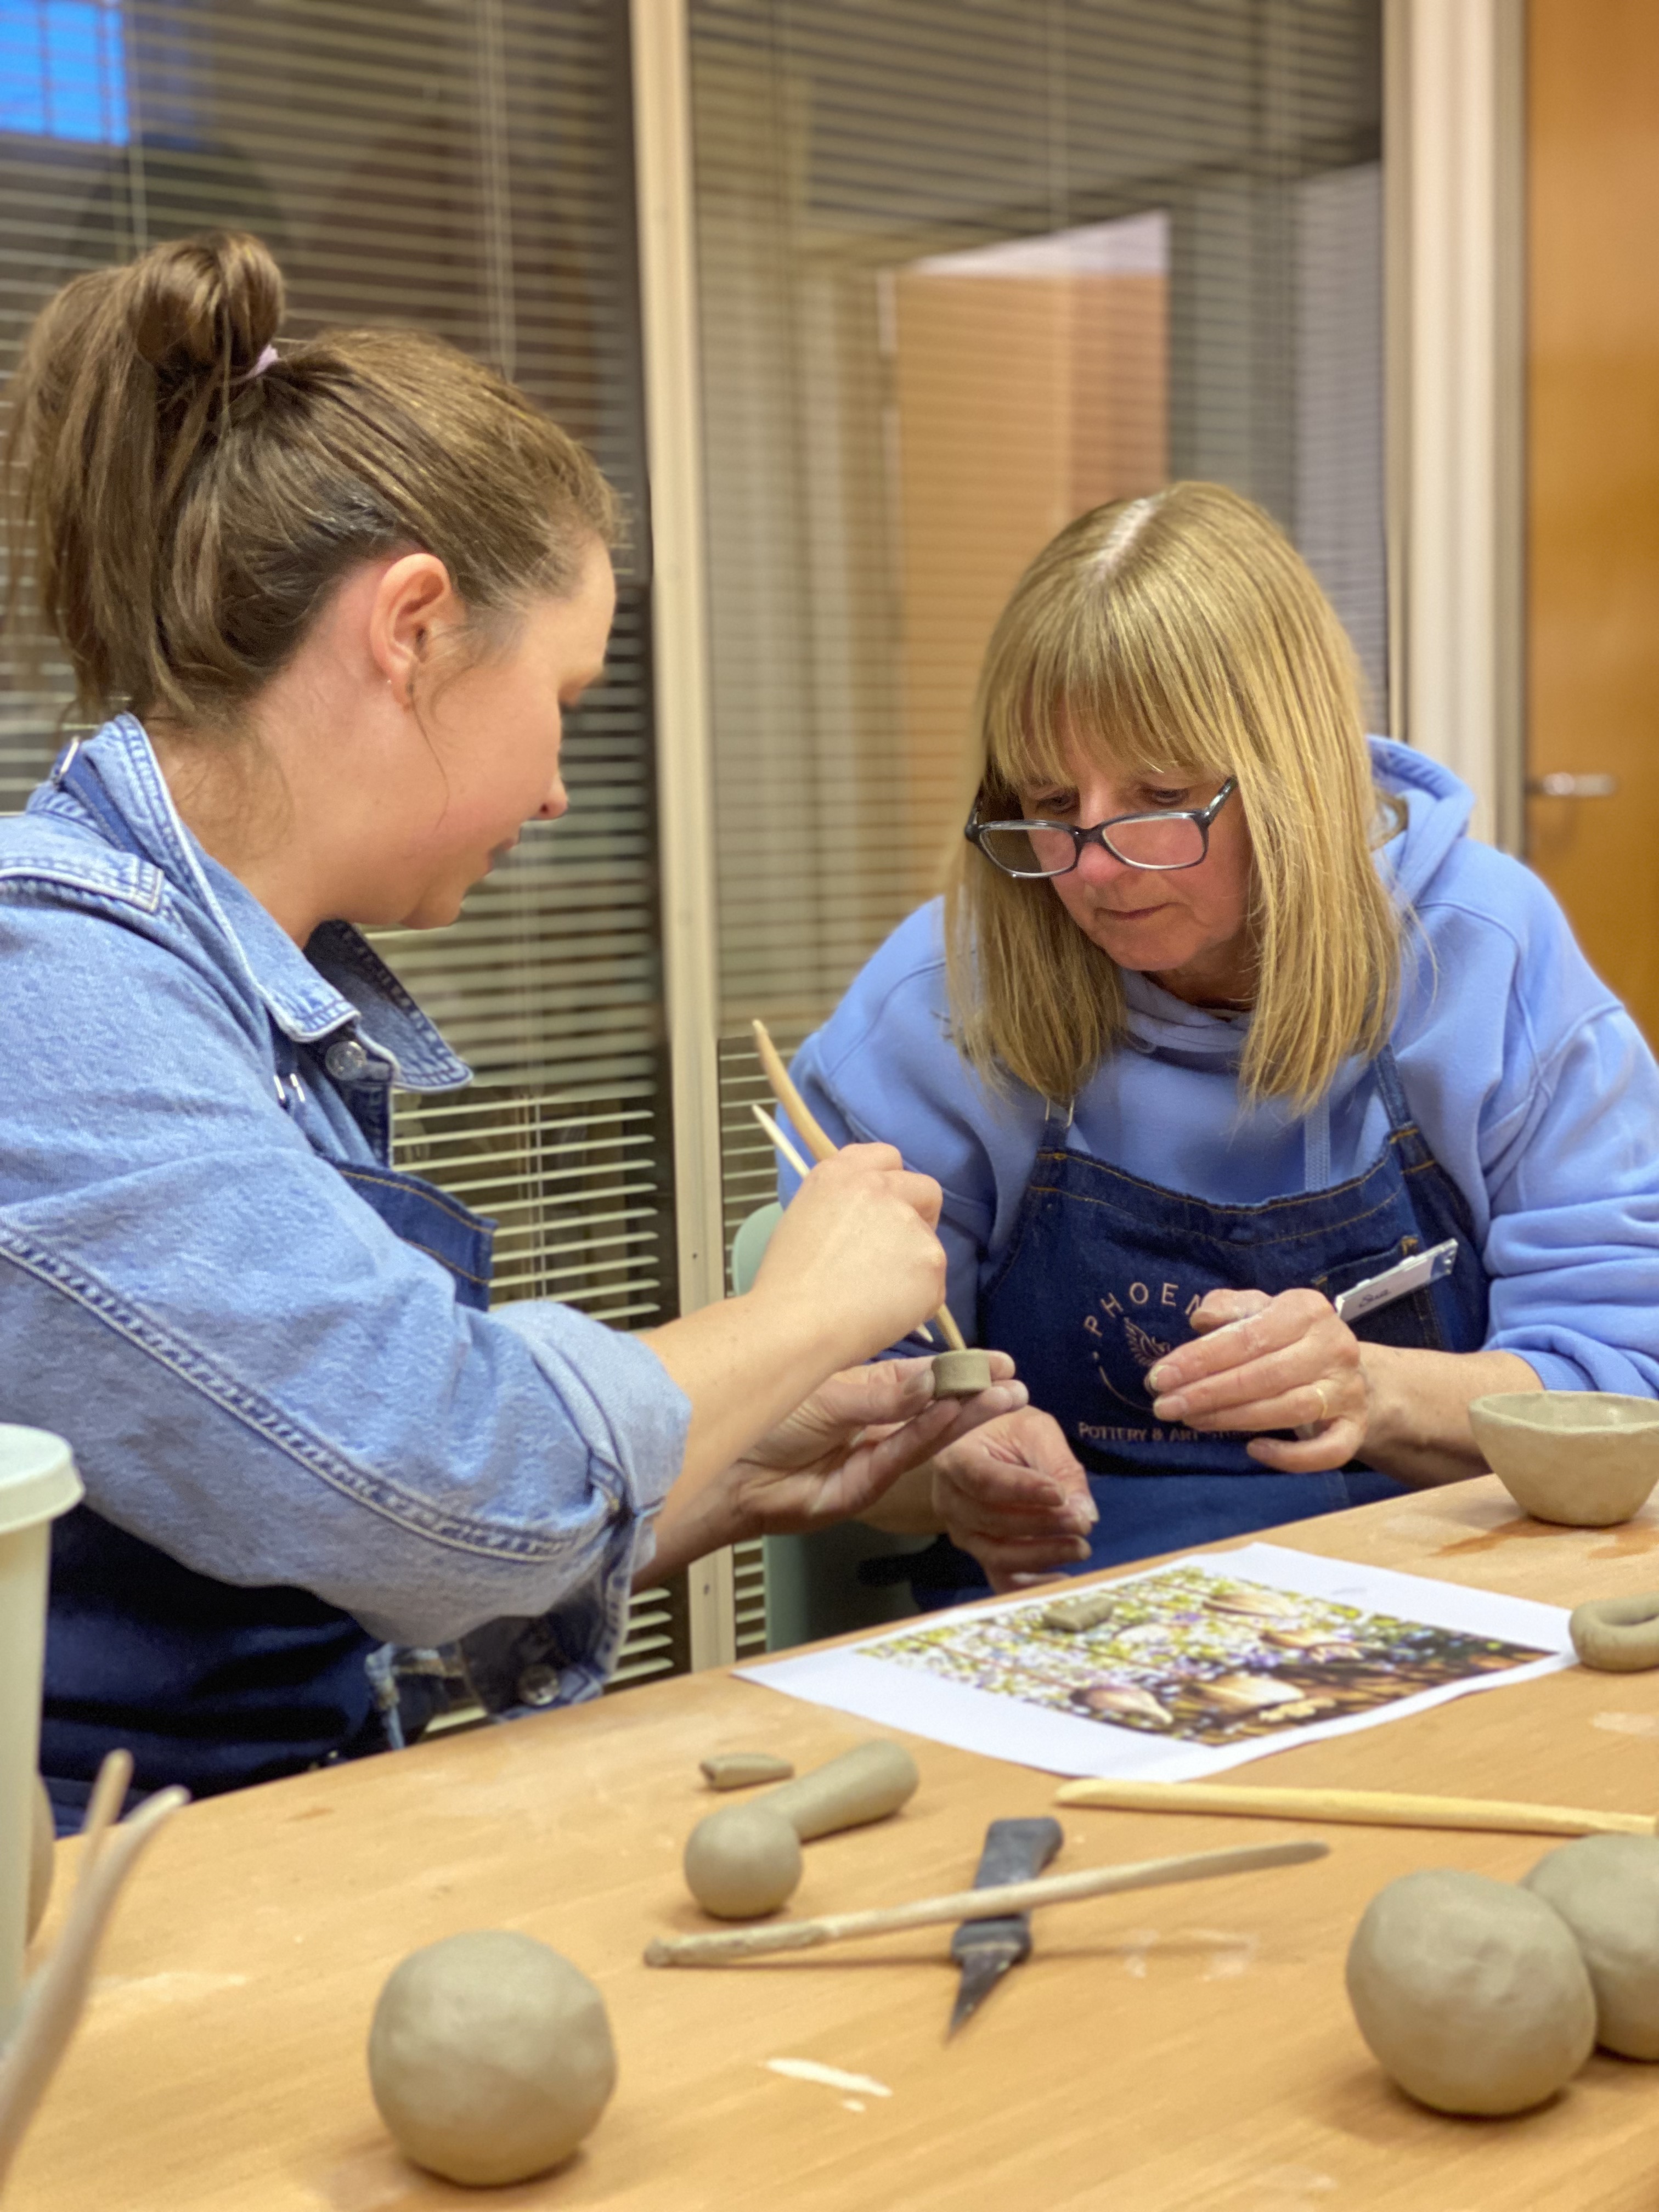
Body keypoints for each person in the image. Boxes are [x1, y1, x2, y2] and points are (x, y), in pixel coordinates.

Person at [0, 232, 1031, 1826]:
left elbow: (328, 1523)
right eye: (564, 696)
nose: (560, 787)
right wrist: (797, 1315)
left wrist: (731, 1468)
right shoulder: (50, 994)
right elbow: (434, 1477)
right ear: (411, 628)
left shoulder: (235, 981)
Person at [781, 483, 1659, 1595]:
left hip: (1455, 1591)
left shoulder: (1486, 957)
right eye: (1052, 805)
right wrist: (953, 1466)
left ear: (1291, 780)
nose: (1093, 867)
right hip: (1070, 1617)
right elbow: (821, 1413)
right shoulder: (942, 1003)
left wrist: (1375, 1393)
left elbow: (1622, 1388)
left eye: (1160, 796)